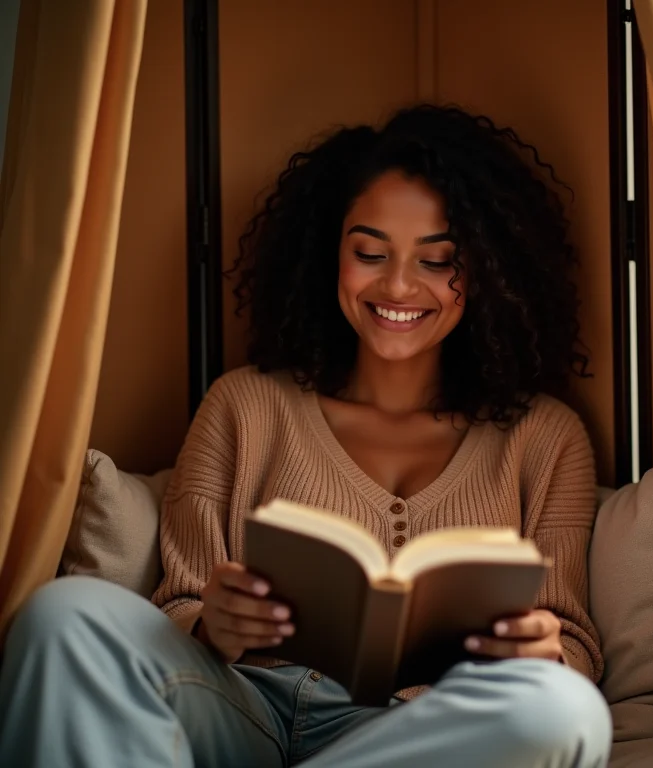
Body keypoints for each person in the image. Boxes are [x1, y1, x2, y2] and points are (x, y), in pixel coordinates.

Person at [0, 104, 612, 767]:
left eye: (439, 261)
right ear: (331, 253)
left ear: (490, 271)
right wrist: (213, 622)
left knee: (565, 709)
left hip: (421, 733)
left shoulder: (545, 437)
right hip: (240, 706)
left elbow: (570, 646)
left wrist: (544, 647)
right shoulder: (243, 404)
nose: (399, 284)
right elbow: (177, 603)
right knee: (64, 615)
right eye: (370, 253)